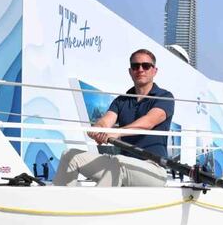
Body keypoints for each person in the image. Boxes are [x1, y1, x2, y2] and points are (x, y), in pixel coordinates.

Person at [53, 49, 174, 187]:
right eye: (135, 66)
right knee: (70, 156)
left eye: (146, 66)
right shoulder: (121, 101)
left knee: (118, 163)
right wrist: (98, 129)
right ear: (130, 71)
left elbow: (149, 121)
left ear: (154, 71)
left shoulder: (164, 97)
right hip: (122, 164)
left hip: (153, 170)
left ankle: (92, 208)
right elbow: (106, 121)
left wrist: (117, 132)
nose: (140, 69)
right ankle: (60, 204)